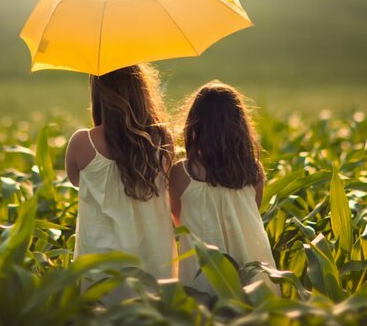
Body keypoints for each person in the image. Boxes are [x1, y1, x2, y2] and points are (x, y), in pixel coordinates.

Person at [65, 64, 177, 303]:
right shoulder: (162, 140)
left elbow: (75, 181)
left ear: (98, 94)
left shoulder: (82, 143)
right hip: (154, 261)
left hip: (101, 267)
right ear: (141, 92)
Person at [169, 80, 280, 296]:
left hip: (202, 273)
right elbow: (252, 214)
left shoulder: (182, 173)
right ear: (239, 125)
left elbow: (178, 221)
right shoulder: (252, 171)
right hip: (251, 269)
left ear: (194, 124)